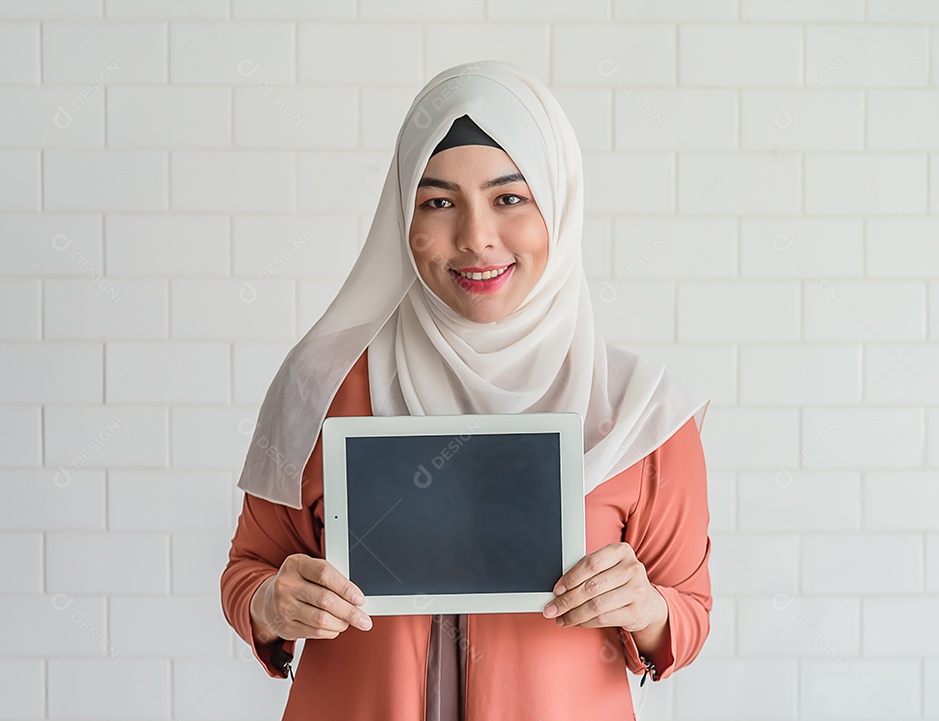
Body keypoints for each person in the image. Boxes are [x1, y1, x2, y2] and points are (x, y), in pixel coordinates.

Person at [220, 60, 712, 721]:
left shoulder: (638, 410)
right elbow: (249, 567)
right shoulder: (322, 382)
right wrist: (272, 602)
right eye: (438, 201)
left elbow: (688, 609)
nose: (475, 236)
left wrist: (648, 609)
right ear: (403, 215)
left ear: (558, 208)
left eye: (510, 198)